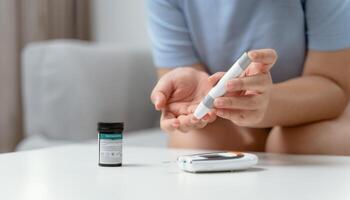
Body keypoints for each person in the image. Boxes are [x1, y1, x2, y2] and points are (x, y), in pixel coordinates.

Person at [147, 0, 350, 155]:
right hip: (224, 118)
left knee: (300, 145)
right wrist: (192, 95)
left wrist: (268, 103)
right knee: (194, 144)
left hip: (314, 111)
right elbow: (185, 102)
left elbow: (334, 88)